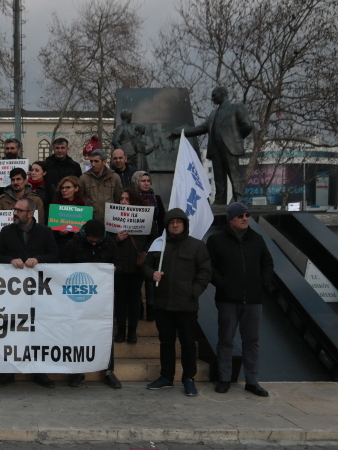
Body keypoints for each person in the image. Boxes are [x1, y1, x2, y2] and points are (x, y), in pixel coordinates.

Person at [206, 202, 274, 397]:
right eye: (240, 216)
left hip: (253, 300)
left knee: (252, 342)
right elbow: (209, 267)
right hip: (227, 300)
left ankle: (252, 381)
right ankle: (224, 379)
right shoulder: (216, 240)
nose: (245, 218)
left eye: (247, 215)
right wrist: (223, 284)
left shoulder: (257, 239)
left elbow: (267, 263)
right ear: (230, 219)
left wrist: (262, 284)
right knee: (226, 340)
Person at [143, 208, 212, 397]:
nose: (175, 225)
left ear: (184, 224)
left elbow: (205, 272)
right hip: (163, 304)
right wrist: (151, 274)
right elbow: (146, 265)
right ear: (166, 225)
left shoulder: (197, 246)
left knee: (188, 343)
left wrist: (193, 292)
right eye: (171, 222)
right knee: (166, 342)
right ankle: (166, 376)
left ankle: (188, 378)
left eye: (178, 222)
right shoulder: (158, 244)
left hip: (186, 306)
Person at [0, 198, 59, 388]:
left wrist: (38, 259)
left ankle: (39, 372)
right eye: (14, 210)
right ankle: (8, 372)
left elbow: (55, 256)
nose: (15, 213)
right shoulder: (6, 231)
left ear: (30, 213)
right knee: (11, 330)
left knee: (37, 331)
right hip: (12, 292)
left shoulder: (45, 232)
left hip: (37, 291)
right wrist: (10, 260)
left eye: (19, 211)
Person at [61, 219, 122, 389]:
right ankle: (78, 372)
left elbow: (120, 264)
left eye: (97, 240)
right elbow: (63, 269)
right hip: (78, 297)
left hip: (102, 298)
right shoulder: (73, 244)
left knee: (105, 332)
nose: (94, 243)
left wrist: (115, 269)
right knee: (78, 332)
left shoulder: (109, 243)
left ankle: (108, 371)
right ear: (85, 234)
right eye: (91, 240)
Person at [171, 86, 253, 204]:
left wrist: (237, 139)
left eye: (214, 95)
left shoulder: (236, 107)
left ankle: (239, 199)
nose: (212, 99)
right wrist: (181, 133)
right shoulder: (214, 114)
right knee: (218, 177)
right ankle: (220, 200)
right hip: (215, 149)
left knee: (234, 174)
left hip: (230, 148)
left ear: (223, 94)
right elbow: (201, 128)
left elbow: (248, 125)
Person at [112, 188, 150, 344]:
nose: (123, 202)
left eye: (127, 199)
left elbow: (153, 237)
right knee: (120, 300)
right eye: (121, 199)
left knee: (134, 300)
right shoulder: (113, 216)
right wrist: (116, 239)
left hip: (136, 265)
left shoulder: (145, 216)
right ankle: (121, 331)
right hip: (119, 265)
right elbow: (106, 240)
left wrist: (144, 251)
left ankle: (132, 332)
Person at [132, 170, 166, 322]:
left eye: (148, 181)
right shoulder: (131, 198)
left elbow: (162, 219)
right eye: (143, 181)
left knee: (151, 277)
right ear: (136, 182)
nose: (146, 183)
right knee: (138, 276)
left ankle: (151, 308)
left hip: (154, 241)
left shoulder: (155, 199)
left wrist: (160, 238)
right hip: (137, 242)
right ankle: (139, 308)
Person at [79, 149, 122, 222]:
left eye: (96, 161)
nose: (93, 164)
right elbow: (80, 198)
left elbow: (118, 200)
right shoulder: (84, 178)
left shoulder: (114, 178)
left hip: (109, 220)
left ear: (104, 162)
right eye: (91, 161)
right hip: (90, 220)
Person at [50, 175, 86, 258]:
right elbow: (49, 229)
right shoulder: (55, 205)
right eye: (62, 188)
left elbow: (89, 227)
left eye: (68, 187)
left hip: (80, 246)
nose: (64, 190)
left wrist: (81, 232)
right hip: (60, 245)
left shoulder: (84, 205)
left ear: (76, 188)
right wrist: (58, 232)